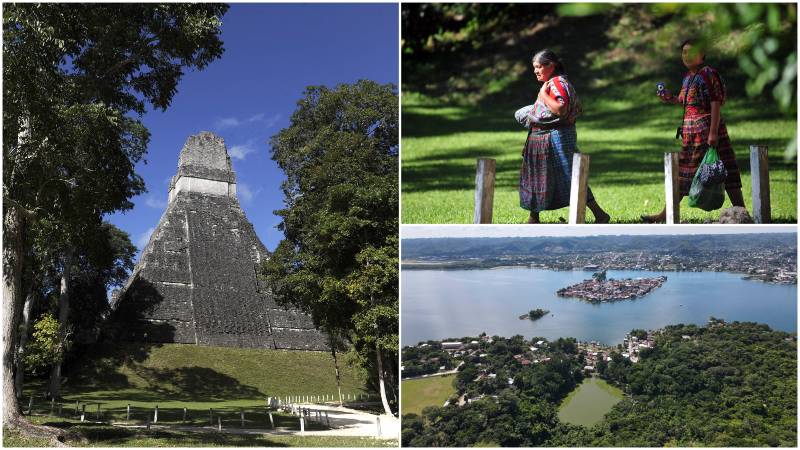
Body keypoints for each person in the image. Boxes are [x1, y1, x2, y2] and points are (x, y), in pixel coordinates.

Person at [642, 39, 744, 223]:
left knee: (724, 170)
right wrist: (669, 98)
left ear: (702, 54)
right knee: (685, 174)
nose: (686, 56)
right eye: (683, 52)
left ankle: (743, 211)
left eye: (691, 52)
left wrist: (713, 132)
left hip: (707, 130)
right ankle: (664, 215)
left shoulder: (708, 74)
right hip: (691, 134)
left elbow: (716, 103)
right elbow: (683, 100)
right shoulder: (688, 77)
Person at [518, 49, 610, 224]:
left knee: (570, 174)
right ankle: (533, 217)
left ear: (550, 66)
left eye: (539, 67)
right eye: (534, 67)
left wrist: (542, 95)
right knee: (537, 176)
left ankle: (600, 214)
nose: (536, 71)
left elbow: (561, 109)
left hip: (557, 136)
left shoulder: (556, 84)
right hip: (541, 137)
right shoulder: (553, 83)